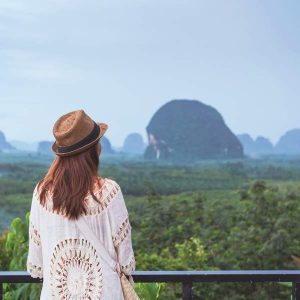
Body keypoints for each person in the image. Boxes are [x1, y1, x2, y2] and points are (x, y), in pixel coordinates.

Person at [26, 109, 136, 299]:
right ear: (94, 150)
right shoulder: (109, 192)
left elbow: (37, 263)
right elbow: (126, 262)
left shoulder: (41, 194)